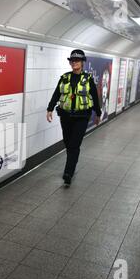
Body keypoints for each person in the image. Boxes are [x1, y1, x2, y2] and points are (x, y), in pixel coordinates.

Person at [46, 49, 102, 187]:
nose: (74, 63)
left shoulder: (88, 79)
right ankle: (71, 165)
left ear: (82, 63)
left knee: (74, 144)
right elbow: (56, 94)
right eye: (72, 61)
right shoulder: (64, 77)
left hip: (82, 117)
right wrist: (50, 108)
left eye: (77, 60)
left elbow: (95, 97)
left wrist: (98, 114)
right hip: (65, 116)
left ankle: (68, 173)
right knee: (68, 143)